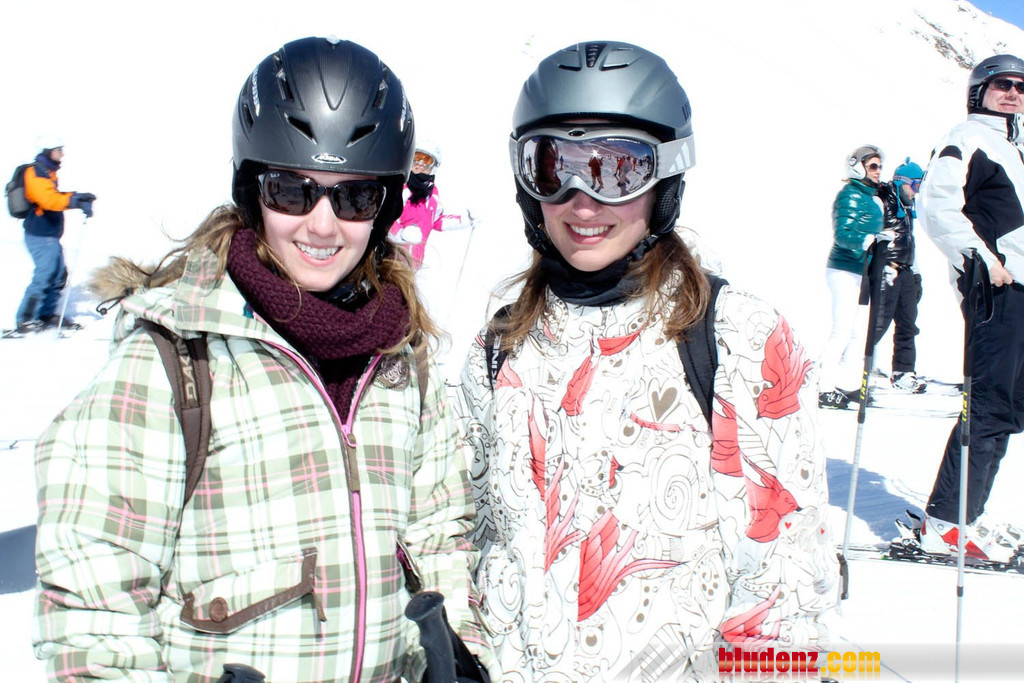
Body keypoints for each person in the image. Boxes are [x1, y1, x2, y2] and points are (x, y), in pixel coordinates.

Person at [32, 37, 495, 682]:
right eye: (292, 192)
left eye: (355, 197)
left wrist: (459, 654)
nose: (323, 225)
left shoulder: (400, 356)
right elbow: (94, 609)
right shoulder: (173, 360)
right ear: (252, 191)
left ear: (386, 205)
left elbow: (439, 533)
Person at [451, 41, 838, 681]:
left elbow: (784, 583)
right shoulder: (501, 345)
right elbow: (466, 533)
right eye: (551, 167)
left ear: (665, 181)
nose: (582, 201)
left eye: (617, 170)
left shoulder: (734, 337)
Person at [917, 54, 1024, 562]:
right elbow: (936, 205)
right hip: (996, 288)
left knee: (1009, 407)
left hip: (1018, 289)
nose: (1013, 93)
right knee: (988, 406)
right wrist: (982, 260)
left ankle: (966, 514)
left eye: (1021, 87)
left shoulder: (1013, 146)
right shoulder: (967, 138)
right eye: (1003, 84)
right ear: (980, 90)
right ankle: (945, 522)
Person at [818, 145, 886, 410]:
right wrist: (866, 240)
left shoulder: (872, 198)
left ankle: (847, 383)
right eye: (873, 166)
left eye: (880, 166)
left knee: (859, 333)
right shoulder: (849, 195)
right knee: (842, 331)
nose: (878, 171)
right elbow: (843, 234)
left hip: (863, 272)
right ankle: (823, 388)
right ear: (858, 168)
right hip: (844, 270)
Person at [13, 136, 95, 334]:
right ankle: (26, 320)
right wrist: (75, 201)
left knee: (58, 275)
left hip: (49, 235)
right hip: (39, 235)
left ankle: (45, 315)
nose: (62, 153)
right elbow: (48, 200)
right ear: (47, 150)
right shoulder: (35, 172)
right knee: (44, 275)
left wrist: (77, 197)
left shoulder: (47, 172)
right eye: (58, 150)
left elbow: (53, 196)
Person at [873, 159, 927, 393]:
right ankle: (855, 366)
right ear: (901, 182)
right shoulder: (882, 199)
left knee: (908, 324)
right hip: (887, 270)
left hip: (905, 271)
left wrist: (916, 273)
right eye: (915, 186)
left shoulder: (907, 207)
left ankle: (903, 373)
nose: (916, 192)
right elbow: (871, 234)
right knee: (878, 323)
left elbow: (909, 241)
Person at [389, 142, 467, 270]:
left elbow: (436, 220)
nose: (420, 164)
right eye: (417, 157)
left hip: (414, 263)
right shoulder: (400, 186)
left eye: (427, 160)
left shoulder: (432, 194)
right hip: (390, 259)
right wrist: (401, 234)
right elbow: (384, 216)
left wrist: (463, 219)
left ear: (433, 166)